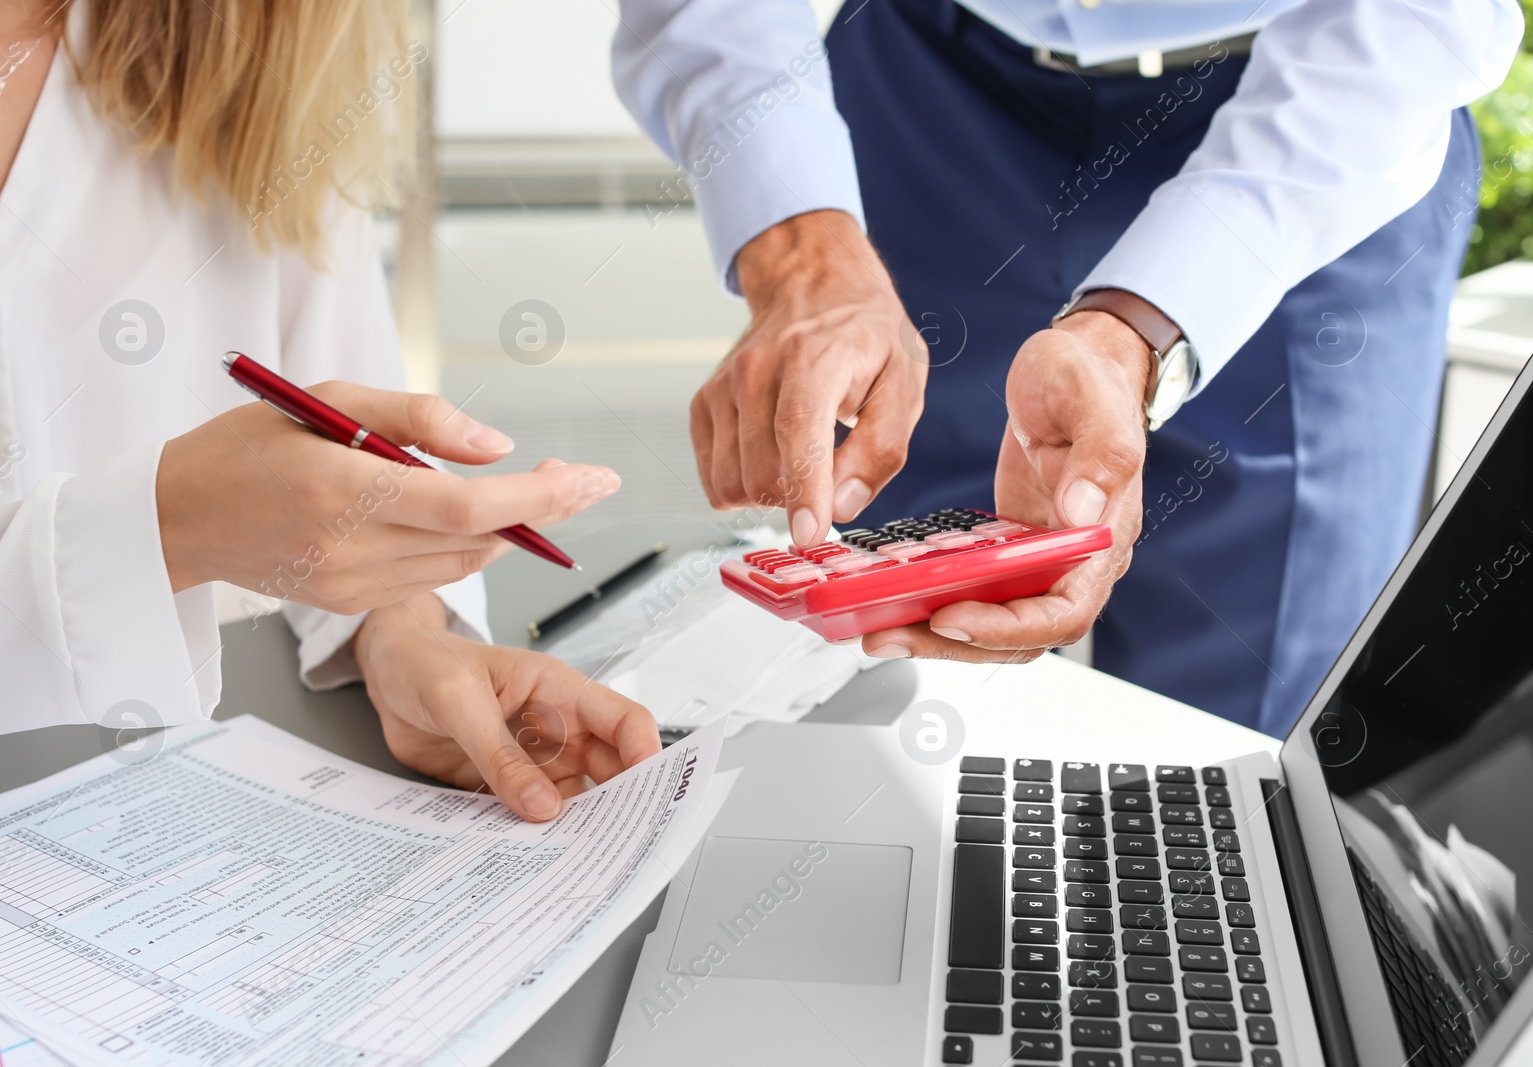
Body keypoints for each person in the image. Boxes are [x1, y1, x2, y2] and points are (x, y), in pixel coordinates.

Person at [613, 0, 1523, 735]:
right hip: (927, 89)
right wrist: (801, 253)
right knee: (896, 689)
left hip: (1326, 118)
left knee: (1241, 737)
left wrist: (1139, 324)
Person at [0, 0, 659, 820]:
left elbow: (347, 460)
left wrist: (405, 631)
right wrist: (168, 523)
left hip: (157, 831)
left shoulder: (267, 42)